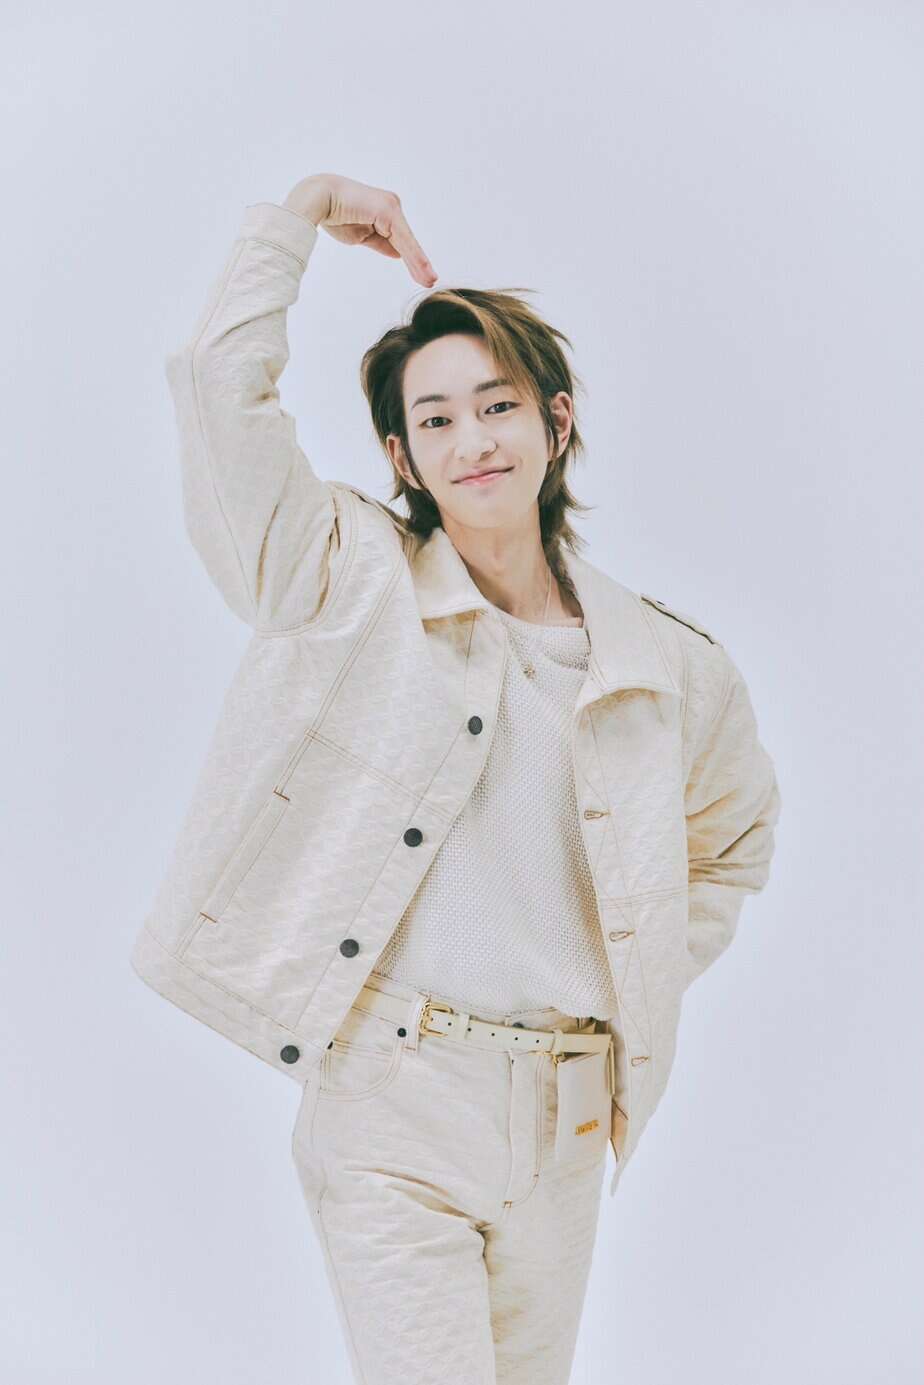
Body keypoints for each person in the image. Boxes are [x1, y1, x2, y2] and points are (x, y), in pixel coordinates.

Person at [131, 171, 782, 1385]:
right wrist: (300, 214)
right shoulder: (343, 576)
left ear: (556, 421)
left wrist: (631, 953)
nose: (472, 439)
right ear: (402, 454)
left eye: (498, 405)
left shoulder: (669, 665)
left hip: (568, 1116)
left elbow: (734, 839)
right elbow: (217, 384)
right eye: (435, 420)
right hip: (394, 1098)